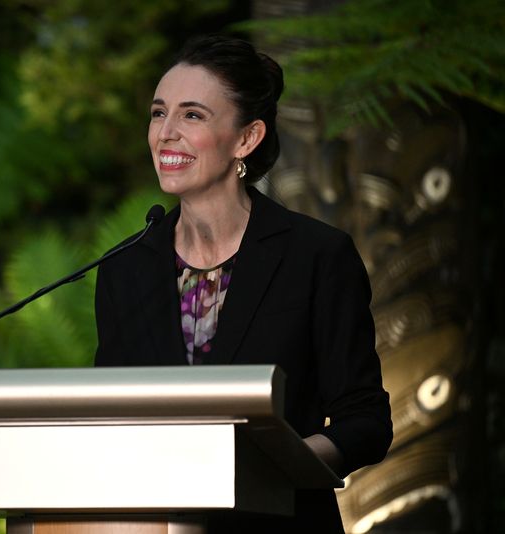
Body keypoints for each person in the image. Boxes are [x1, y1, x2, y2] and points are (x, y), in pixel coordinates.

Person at [94, 35, 393, 532]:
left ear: (247, 139)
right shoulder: (126, 267)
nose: (165, 133)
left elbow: (365, 424)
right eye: (157, 113)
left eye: (192, 116)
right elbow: (108, 418)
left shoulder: (316, 256)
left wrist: (273, 470)